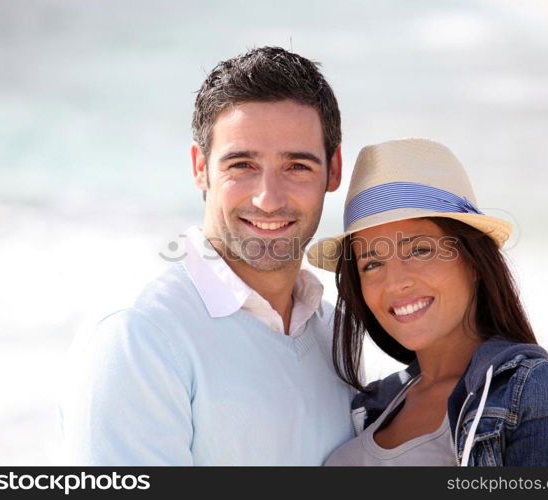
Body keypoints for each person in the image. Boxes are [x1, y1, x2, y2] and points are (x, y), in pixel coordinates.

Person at [58, 46, 354, 465]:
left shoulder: (333, 331)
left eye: (297, 166)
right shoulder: (141, 336)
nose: (268, 199)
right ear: (200, 167)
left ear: (334, 170)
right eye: (242, 165)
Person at [307, 138, 548, 466]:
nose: (396, 282)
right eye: (372, 263)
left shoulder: (531, 392)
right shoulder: (371, 406)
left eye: (419, 250)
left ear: (474, 262)